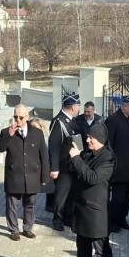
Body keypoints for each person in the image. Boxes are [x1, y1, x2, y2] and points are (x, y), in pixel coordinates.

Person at [65, 122, 117, 257]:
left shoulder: (108, 158)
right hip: (81, 208)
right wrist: (73, 157)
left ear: (100, 139)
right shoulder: (87, 153)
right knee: (82, 246)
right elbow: (76, 171)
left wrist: (76, 159)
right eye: (87, 136)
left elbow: (92, 177)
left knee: (102, 251)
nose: (87, 140)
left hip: (96, 212)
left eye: (91, 137)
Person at [0, 104, 49, 240]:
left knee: (30, 204)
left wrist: (44, 177)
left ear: (27, 117)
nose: (18, 120)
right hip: (14, 175)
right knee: (12, 205)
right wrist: (8, 135)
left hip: (32, 175)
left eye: (21, 117)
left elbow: (44, 155)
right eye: (15, 117)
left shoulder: (37, 133)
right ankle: (14, 230)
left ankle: (27, 228)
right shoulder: (7, 132)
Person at [104, 96, 129, 232]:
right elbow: (108, 145)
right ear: (125, 106)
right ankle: (113, 222)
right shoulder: (113, 121)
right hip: (119, 168)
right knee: (118, 198)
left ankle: (122, 219)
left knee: (127, 197)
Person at [48, 94, 82, 231]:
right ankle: (58, 219)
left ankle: (68, 217)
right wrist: (54, 168)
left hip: (72, 164)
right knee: (61, 194)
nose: (79, 108)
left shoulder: (71, 121)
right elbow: (54, 146)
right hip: (63, 166)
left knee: (71, 194)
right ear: (73, 107)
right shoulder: (59, 122)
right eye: (78, 106)